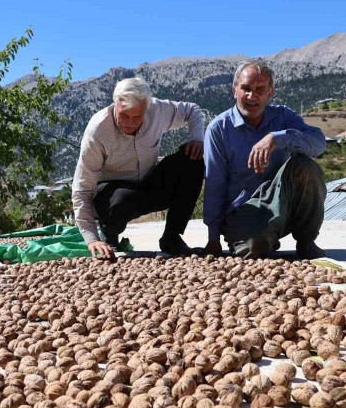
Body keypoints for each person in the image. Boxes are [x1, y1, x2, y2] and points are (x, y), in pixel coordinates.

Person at [203, 59, 327, 260]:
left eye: (260, 89)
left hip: (285, 206)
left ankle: (306, 240)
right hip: (246, 211)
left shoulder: (283, 117)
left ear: (271, 93)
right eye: (246, 88)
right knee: (254, 250)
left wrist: (277, 138)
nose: (252, 96)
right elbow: (214, 184)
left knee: (305, 166)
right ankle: (262, 238)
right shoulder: (219, 129)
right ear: (234, 90)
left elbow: (319, 144)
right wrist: (213, 239)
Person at [72, 77, 205, 258]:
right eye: (125, 115)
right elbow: (82, 189)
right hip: (112, 196)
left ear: (147, 108)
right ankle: (109, 232)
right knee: (121, 200)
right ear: (115, 104)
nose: (130, 123)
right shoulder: (97, 131)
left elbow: (193, 110)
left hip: (147, 185)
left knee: (192, 161)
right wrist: (91, 239)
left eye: (137, 117)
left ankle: (171, 238)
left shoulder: (157, 110)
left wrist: (197, 138)